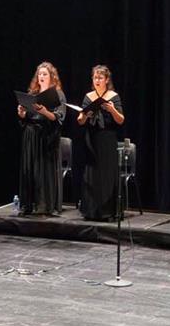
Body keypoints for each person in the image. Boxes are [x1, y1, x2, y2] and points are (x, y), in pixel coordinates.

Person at [75, 65, 125, 221]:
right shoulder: (88, 96)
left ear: (107, 80)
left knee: (107, 174)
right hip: (92, 139)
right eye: (95, 77)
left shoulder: (113, 96)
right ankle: (91, 211)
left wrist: (112, 110)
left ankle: (108, 211)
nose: (97, 80)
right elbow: (80, 121)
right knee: (92, 174)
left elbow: (121, 120)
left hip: (108, 139)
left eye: (100, 78)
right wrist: (86, 114)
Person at [16, 61, 67, 215]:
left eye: (45, 74)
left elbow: (58, 118)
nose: (42, 77)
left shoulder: (58, 94)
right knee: (29, 169)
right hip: (31, 135)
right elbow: (25, 118)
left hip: (47, 136)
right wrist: (22, 114)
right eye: (40, 74)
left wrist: (44, 111)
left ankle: (45, 205)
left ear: (52, 76)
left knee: (44, 170)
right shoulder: (32, 94)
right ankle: (28, 205)